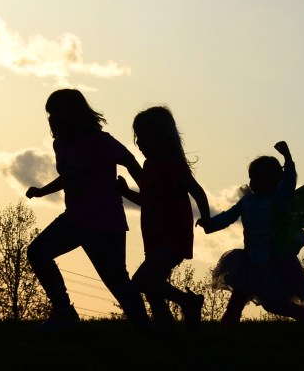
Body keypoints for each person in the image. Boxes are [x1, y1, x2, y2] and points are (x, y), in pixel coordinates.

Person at [25, 89, 149, 331]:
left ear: (71, 113)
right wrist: (42, 191)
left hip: (105, 223)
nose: (52, 118)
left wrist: (148, 192)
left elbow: (129, 160)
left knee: (116, 280)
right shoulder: (60, 144)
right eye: (49, 114)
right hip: (74, 220)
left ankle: (144, 327)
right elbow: (69, 175)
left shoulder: (99, 140)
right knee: (38, 252)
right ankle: (63, 311)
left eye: (56, 112)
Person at [117, 106, 211, 329]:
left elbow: (197, 191)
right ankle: (165, 331)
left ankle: (187, 302)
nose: (139, 143)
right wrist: (125, 192)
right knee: (153, 289)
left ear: (161, 137)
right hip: (154, 236)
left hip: (173, 236)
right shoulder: (149, 166)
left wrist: (206, 218)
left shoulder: (174, 165)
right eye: (137, 137)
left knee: (142, 281)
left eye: (144, 137)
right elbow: (147, 200)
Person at [200, 141, 304, 324]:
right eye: (252, 178)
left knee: (272, 303)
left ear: (274, 180)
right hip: (249, 260)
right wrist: (210, 224)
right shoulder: (247, 201)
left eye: (259, 179)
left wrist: (288, 158)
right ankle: (227, 326)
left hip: (272, 261)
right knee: (237, 298)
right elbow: (229, 216)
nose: (254, 183)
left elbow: (289, 182)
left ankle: (303, 313)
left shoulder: (278, 199)